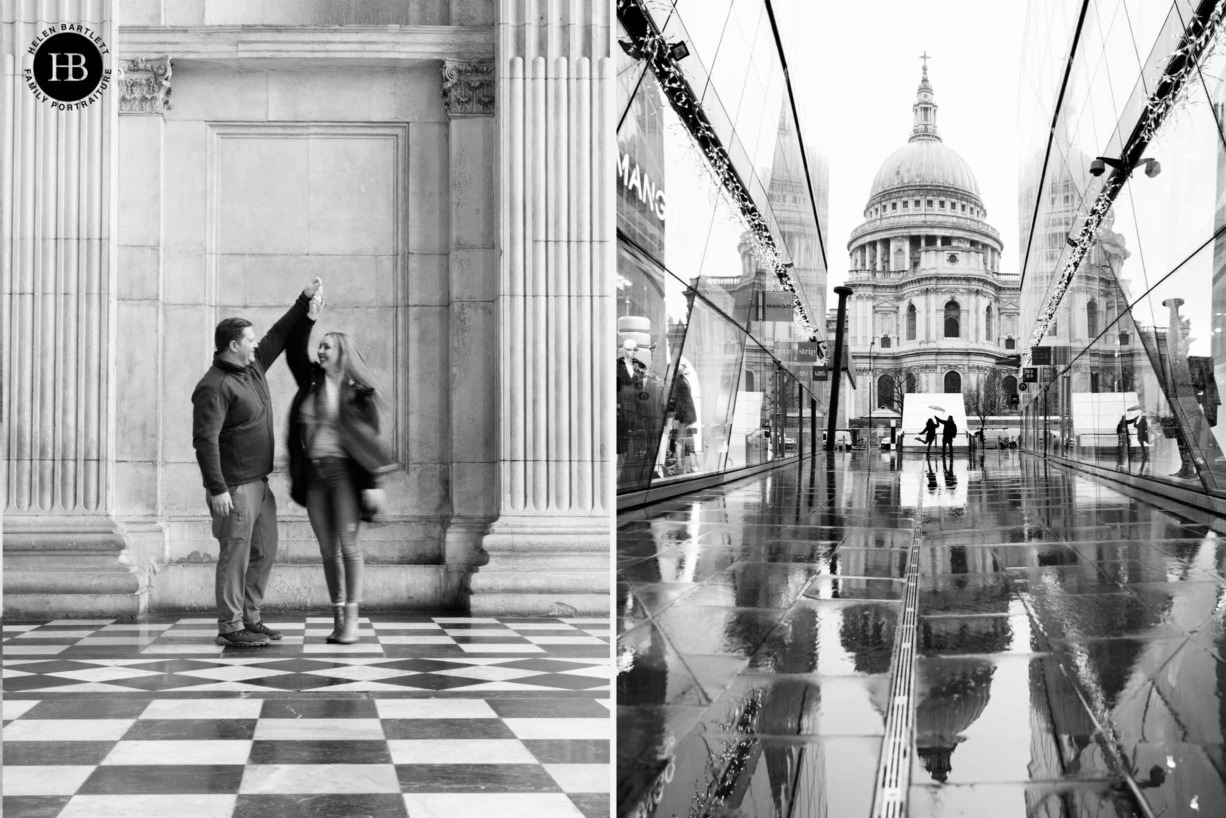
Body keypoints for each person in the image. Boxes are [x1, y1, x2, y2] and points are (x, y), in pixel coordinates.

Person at [192, 278, 322, 647]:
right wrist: (216, 488)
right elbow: (205, 441)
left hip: (259, 484)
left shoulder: (251, 367)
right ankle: (230, 627)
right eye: (249, 340)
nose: (255, 344)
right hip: (233, 487)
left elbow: (279, 336)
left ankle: (250, 618)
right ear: (233, 345)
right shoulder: (214, 386)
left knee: (263, 550)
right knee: (234, 555)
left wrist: (304, 302)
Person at [286, 313, 397, 645]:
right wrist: (308, 313)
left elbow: (370, 443)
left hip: (346, 477)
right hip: (316, 476)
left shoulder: (361, 394)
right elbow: (293, 349)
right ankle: (337, 619)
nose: (320, 351)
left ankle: (352, 621)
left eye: (327, 346)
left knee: (349, 547)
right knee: (327, 549)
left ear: (342, 352)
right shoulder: (311, 381)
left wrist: (374, 486)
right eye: (319, 346)